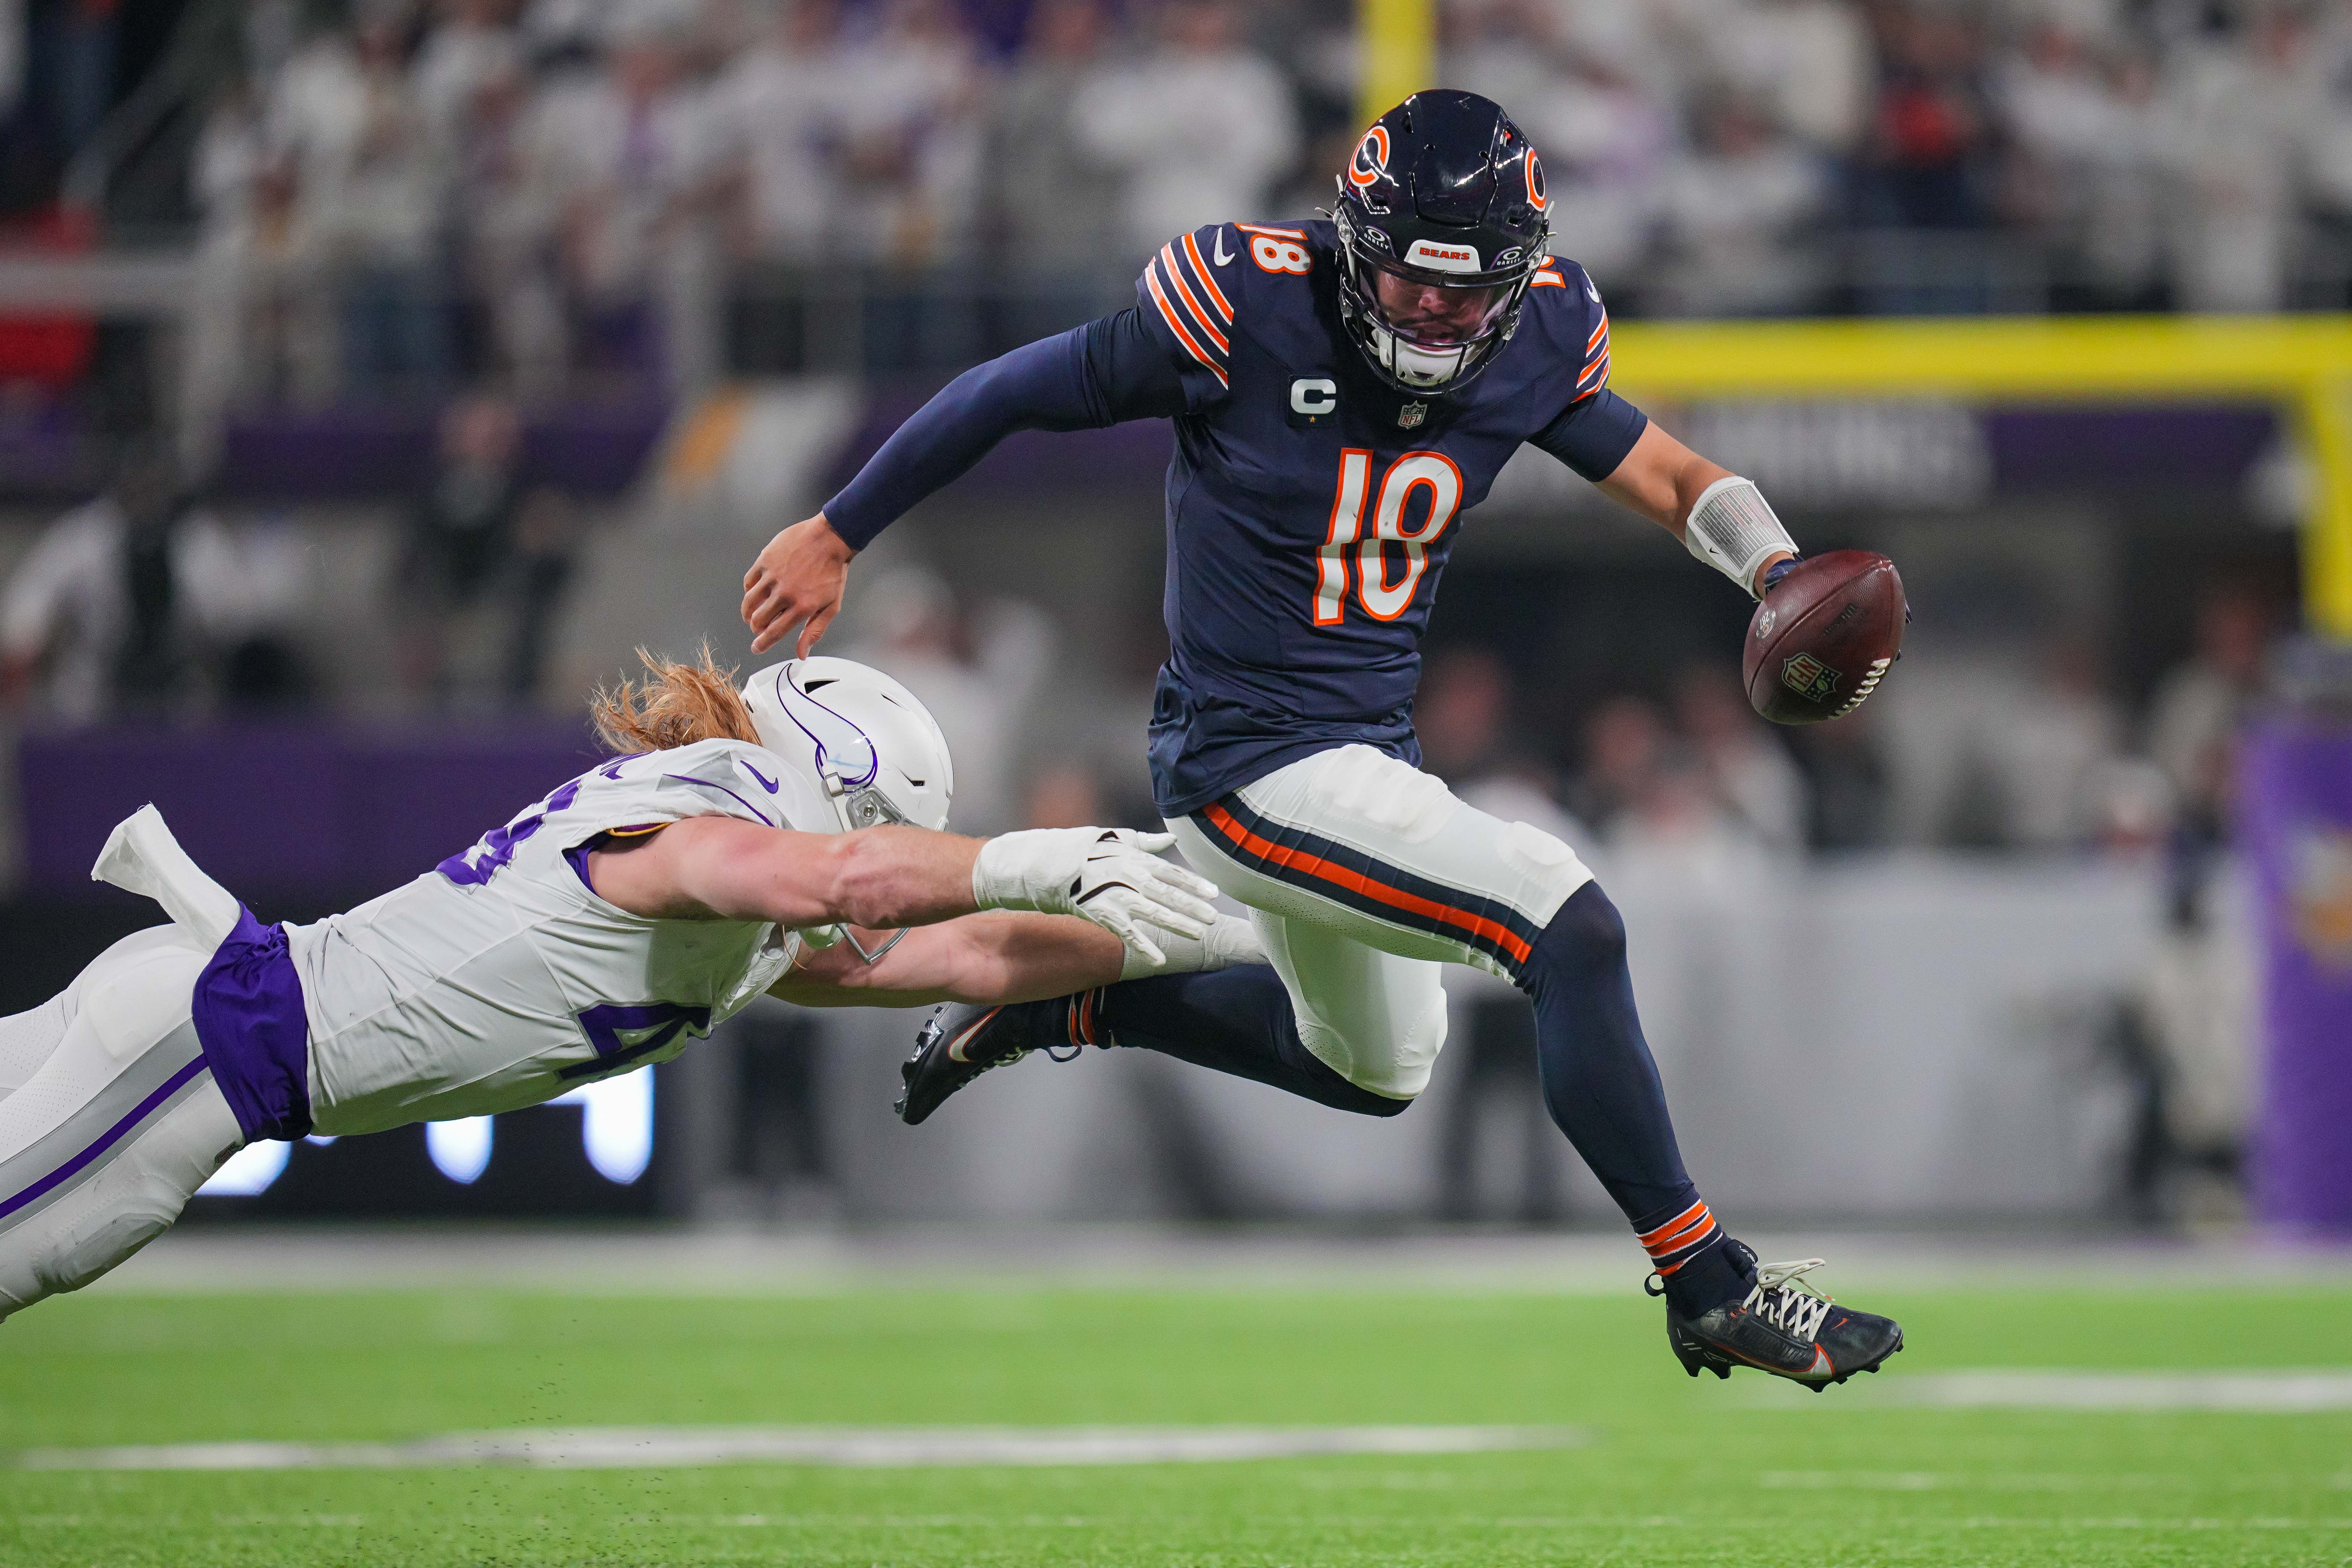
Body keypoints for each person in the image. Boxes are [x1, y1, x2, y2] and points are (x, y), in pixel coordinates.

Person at [739, 92, 1903, 1387]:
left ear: (1513, 284)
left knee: (1377, 1065)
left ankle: (1057, 1002)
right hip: (1245, 759)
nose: (1431, 315)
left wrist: (1779, 567)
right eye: (1410, 279)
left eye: (1466, 297)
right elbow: (1011, 391)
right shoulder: (1242, 300)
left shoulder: (1538, 337)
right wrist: (839, 526)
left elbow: (1682, 481)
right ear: (1357, 244)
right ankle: (1709, 1281)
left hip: (1362, 758)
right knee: (1567, 926)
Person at [0, 650, 1252, 1320]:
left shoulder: (750, 925)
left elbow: (973, 951)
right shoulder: (719, 816)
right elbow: (855, 880)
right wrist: (1040, 855)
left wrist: (1238, 927)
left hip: (196, 1029)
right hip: (201, 1049)